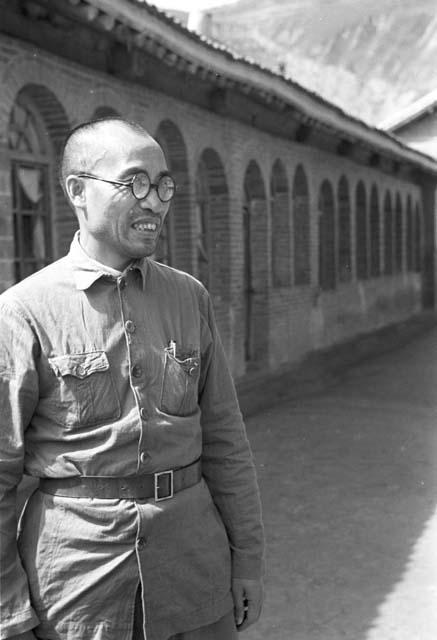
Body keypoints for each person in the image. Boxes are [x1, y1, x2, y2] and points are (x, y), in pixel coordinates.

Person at [0, 118, 264, 640]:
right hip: (77, 586)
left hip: (196, 570)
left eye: (164, 184)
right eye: (135, 182)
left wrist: (248, 559)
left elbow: (227, 443)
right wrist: (9, 610)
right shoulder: (23, 313)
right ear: (77, 190)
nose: (156, 202)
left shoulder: (190, 297)